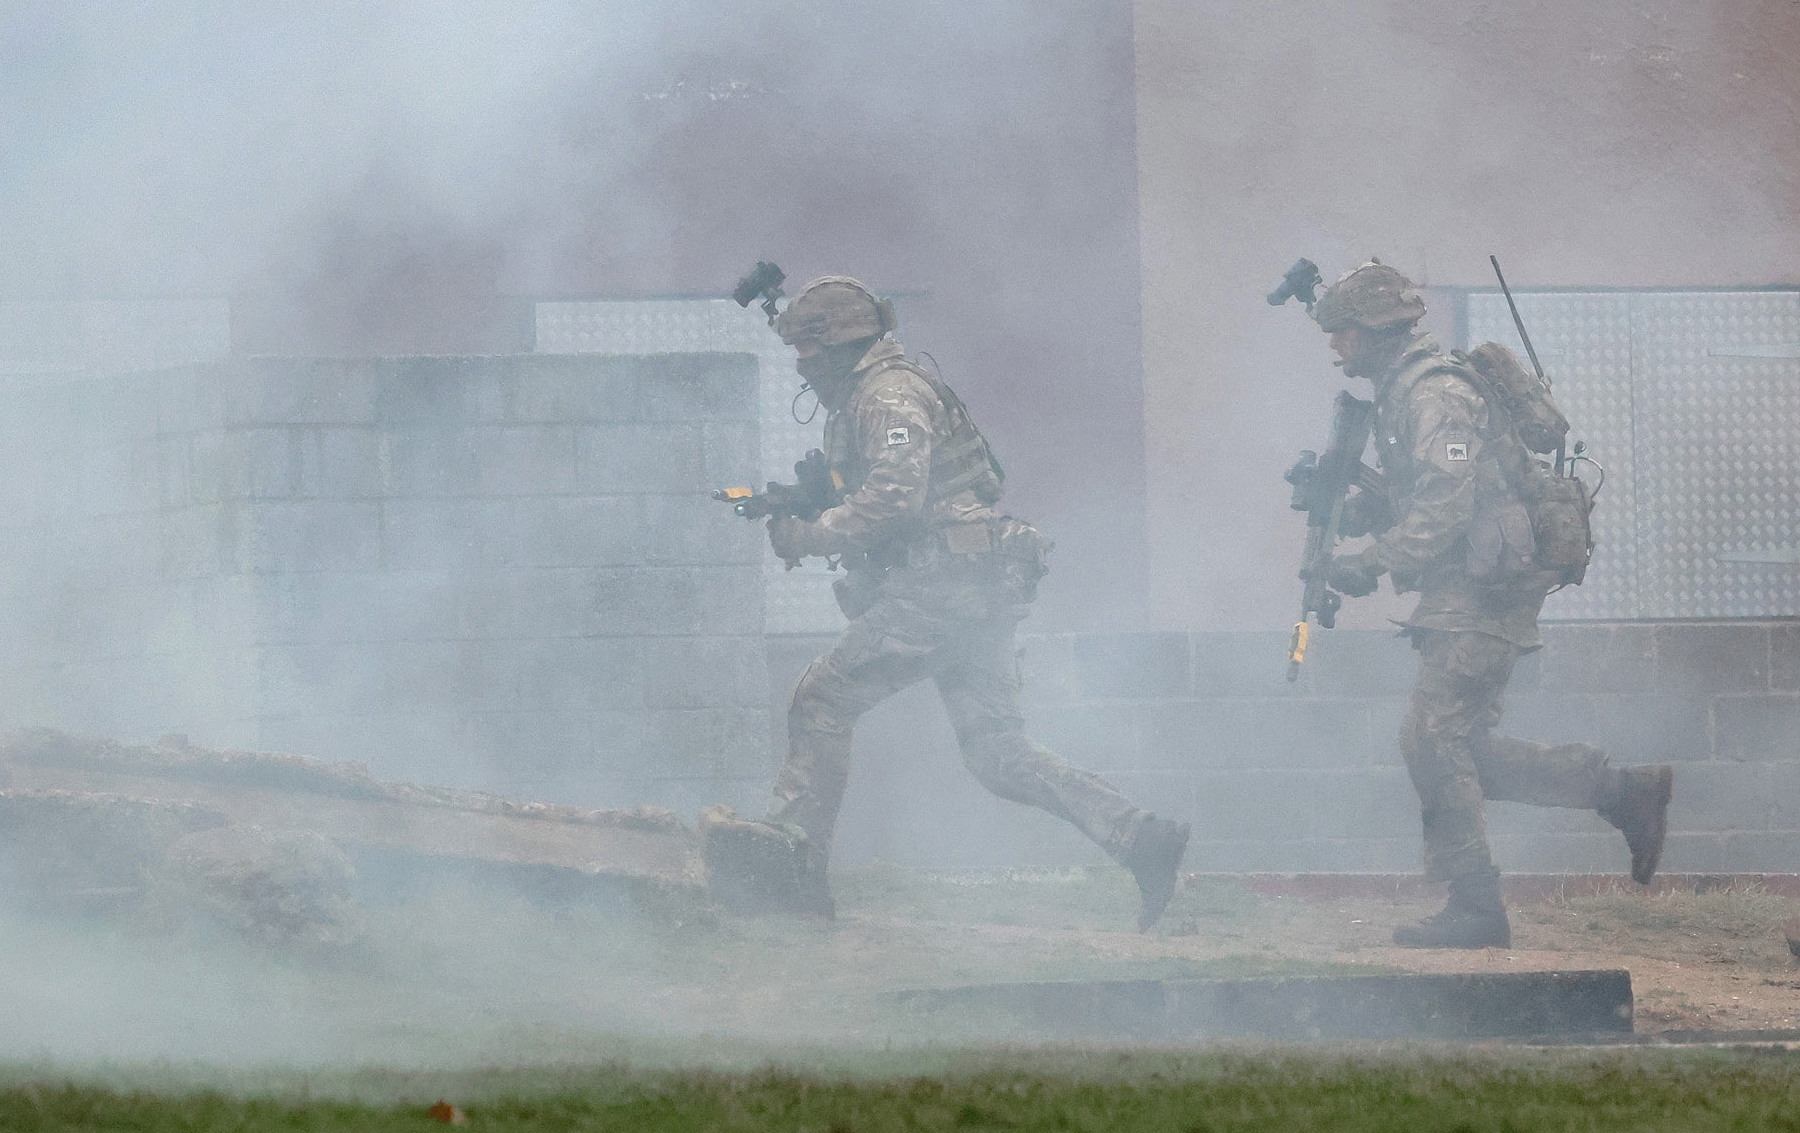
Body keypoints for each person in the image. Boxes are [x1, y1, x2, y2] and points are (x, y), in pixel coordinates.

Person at [702, 276, 1192, 930]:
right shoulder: (872, 397)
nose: (802, 369)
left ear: (841, 347)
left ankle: (794, 871)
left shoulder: (890, 396)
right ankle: (1138, 838)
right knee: (996, 751)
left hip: (941, 590)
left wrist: (812, 533)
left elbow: (895, 496)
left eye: (808, 355)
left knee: (822, 699)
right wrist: (802, 501)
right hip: (971, 589)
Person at [1309, 261, 1671, 949]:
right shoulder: (1404, 393)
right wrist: (1355, 511)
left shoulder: (1437, 393)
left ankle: (1476, 906)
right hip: (1464, 584)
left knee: (1431, 738)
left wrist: (1374, 563)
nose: (1337, 347)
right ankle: (1624, 793)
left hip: (1483, 587)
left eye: (1346, 332)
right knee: (1460, 745)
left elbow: (1448, 499)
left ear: (1378, 329)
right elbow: (1424, 489)